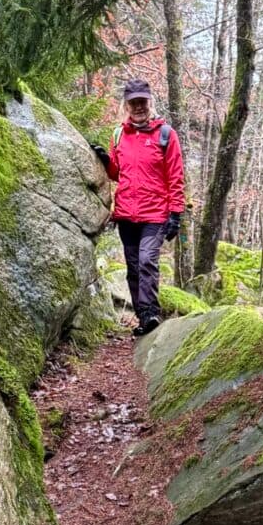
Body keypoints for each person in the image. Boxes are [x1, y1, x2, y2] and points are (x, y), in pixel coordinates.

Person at [91, 78, 185, 337]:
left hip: (155, 214)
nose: (139, 107)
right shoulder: (119, 135)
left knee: (146, 261)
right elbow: (116, 174)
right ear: (126, 105)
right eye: (133, 103)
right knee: (133, 266)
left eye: (142, 101)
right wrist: (105, 160)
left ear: (150, 101)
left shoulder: (166, 135)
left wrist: (175, 214)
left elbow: (176, 176)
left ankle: (151, 312)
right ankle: (143, 318)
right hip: (126, 214)